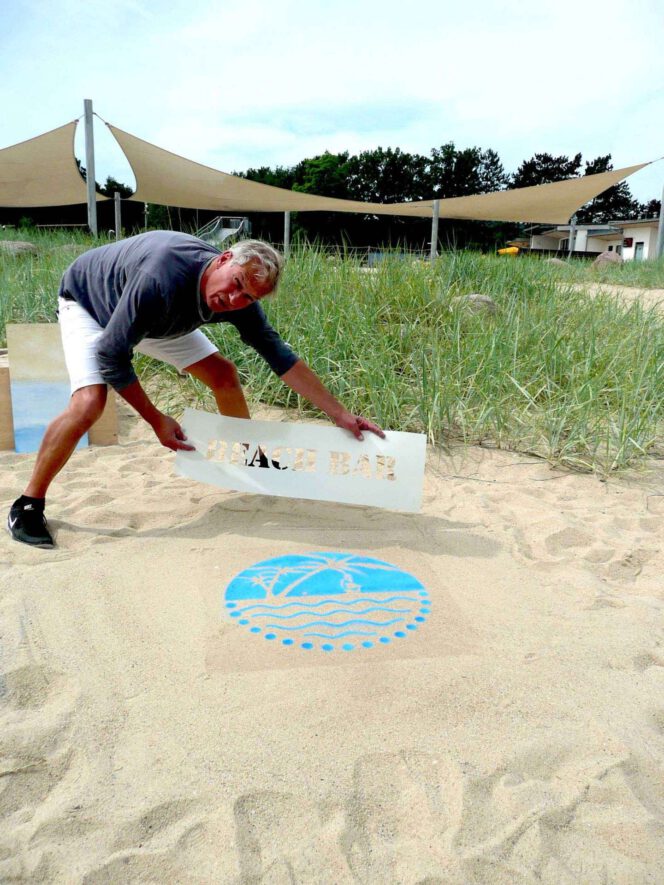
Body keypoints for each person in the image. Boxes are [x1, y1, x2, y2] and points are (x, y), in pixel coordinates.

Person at [7, 231, 384, 549]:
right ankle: (27, 504)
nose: (234, 300)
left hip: (158, 318)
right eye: (236, 285)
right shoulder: (160, 278)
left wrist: (340, 414)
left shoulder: (240, 298)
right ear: (224, 259)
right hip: (91, 303)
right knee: (89, 403)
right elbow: (111, 354)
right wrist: (156, 419)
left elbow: (279, 357)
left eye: (248, 297)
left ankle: (249, 458)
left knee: (223, 374)